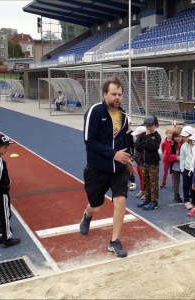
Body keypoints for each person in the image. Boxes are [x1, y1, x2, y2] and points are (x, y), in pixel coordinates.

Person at [79, 76, 134, 258]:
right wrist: (113, 154)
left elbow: (121, 141)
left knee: (120, 201)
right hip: (97, 169)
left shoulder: (124, 117)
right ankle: (88, 215)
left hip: (118, 169)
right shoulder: (94, 112)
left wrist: (126, 159)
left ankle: (114, 241)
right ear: (105, 94)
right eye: (113, 94)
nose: (117, 97)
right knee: (97, 206)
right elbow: (89, 141)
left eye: (119, 94)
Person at [135, 116, 162, 210]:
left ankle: (154, 202)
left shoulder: (157, 136)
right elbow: (137, 147)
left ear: (156, 125)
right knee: (145, 182)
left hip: (153, 163)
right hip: (143, 162)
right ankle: (147, 199)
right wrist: (146, 143)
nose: (148, 128)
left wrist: (147, 140)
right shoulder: (142, 135)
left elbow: (154, 147)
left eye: (150, 126)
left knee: (153, 183)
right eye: (146, 126)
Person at [180, 126, 195, 212]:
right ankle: (186, 201)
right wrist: (182, 169)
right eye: (183, 136)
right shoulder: (183, 146)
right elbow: (182, 158)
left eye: (185, 136)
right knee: (186, 186)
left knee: (194, 186)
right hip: (186, 169)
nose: (184, 138)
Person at [163, 127, 183, 203]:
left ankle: (189, 193)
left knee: (188, 181)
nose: (177, 138)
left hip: (185, 166)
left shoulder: (186, 144)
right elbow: (167, 157)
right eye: (175, 137)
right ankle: (176, 195)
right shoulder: (171, 145)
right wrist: (176, 157)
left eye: (179, 136)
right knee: (176, 181)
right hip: (176, 166)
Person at [131, 126, 147, 198]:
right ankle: (142, 190)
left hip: (144, 163)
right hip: (138, 163)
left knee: (145, 178)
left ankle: (147, 192)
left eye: (138, 135)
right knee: (140, 177)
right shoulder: (137, 141)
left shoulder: (145, 142)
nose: (136, 136)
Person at [126, 118, 137, 191]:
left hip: (131, 154)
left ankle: (132, 181)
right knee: (123, 167)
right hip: (123, 154)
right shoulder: (120, 133)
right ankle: (125, 180)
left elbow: (135, 145)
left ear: (130, 124)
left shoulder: (132, 134)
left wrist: (134, 154)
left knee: (130, 166)